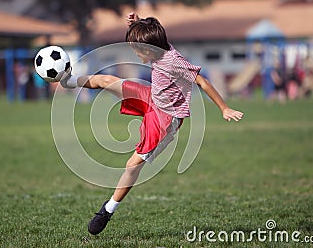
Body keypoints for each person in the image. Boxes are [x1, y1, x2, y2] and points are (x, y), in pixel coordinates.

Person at [60, 12, 244, 235]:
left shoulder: (173, 62)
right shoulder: (158, 47)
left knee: (132, 165)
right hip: (151, 98)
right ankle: (67, 80)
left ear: (148, 49)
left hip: (166, 118)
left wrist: (224, 108)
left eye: (135, 50)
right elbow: (153, 34)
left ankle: (107, 210)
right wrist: (138, 24)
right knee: (106, 80)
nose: (134, 54)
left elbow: (202, 82)